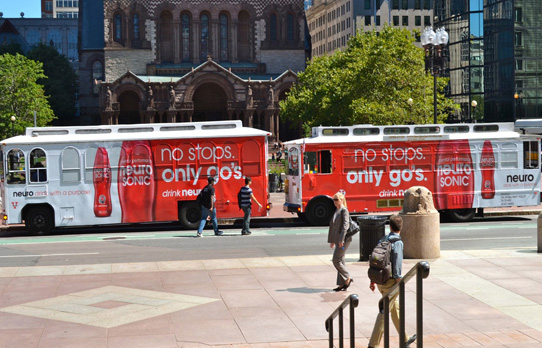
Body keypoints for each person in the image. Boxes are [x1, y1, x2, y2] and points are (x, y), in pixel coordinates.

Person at [367, 214, 417, 348]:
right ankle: (373, 345)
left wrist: (372, 280)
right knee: (384, 313)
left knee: (395, 308)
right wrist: (399, 279)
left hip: (379, 281)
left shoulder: (383, 239)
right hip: (390, 283)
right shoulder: (398, 242)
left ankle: (405, 338)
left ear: (389, 226)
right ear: (401, 227)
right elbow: (397, 263)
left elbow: (375, 261)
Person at [327, 192, 353, 292]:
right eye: (333, 199)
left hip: (344, 240)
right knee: (341, 260)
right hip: (338, 240)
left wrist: (341, 240)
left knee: (336, 260)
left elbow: (345, 226)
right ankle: (342, 284)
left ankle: (348, 277)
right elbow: (333, 227)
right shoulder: (337, 211)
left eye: (336, 199)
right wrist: (332, 241)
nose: (334, 201)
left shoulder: (344, 211)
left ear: (342, 200)